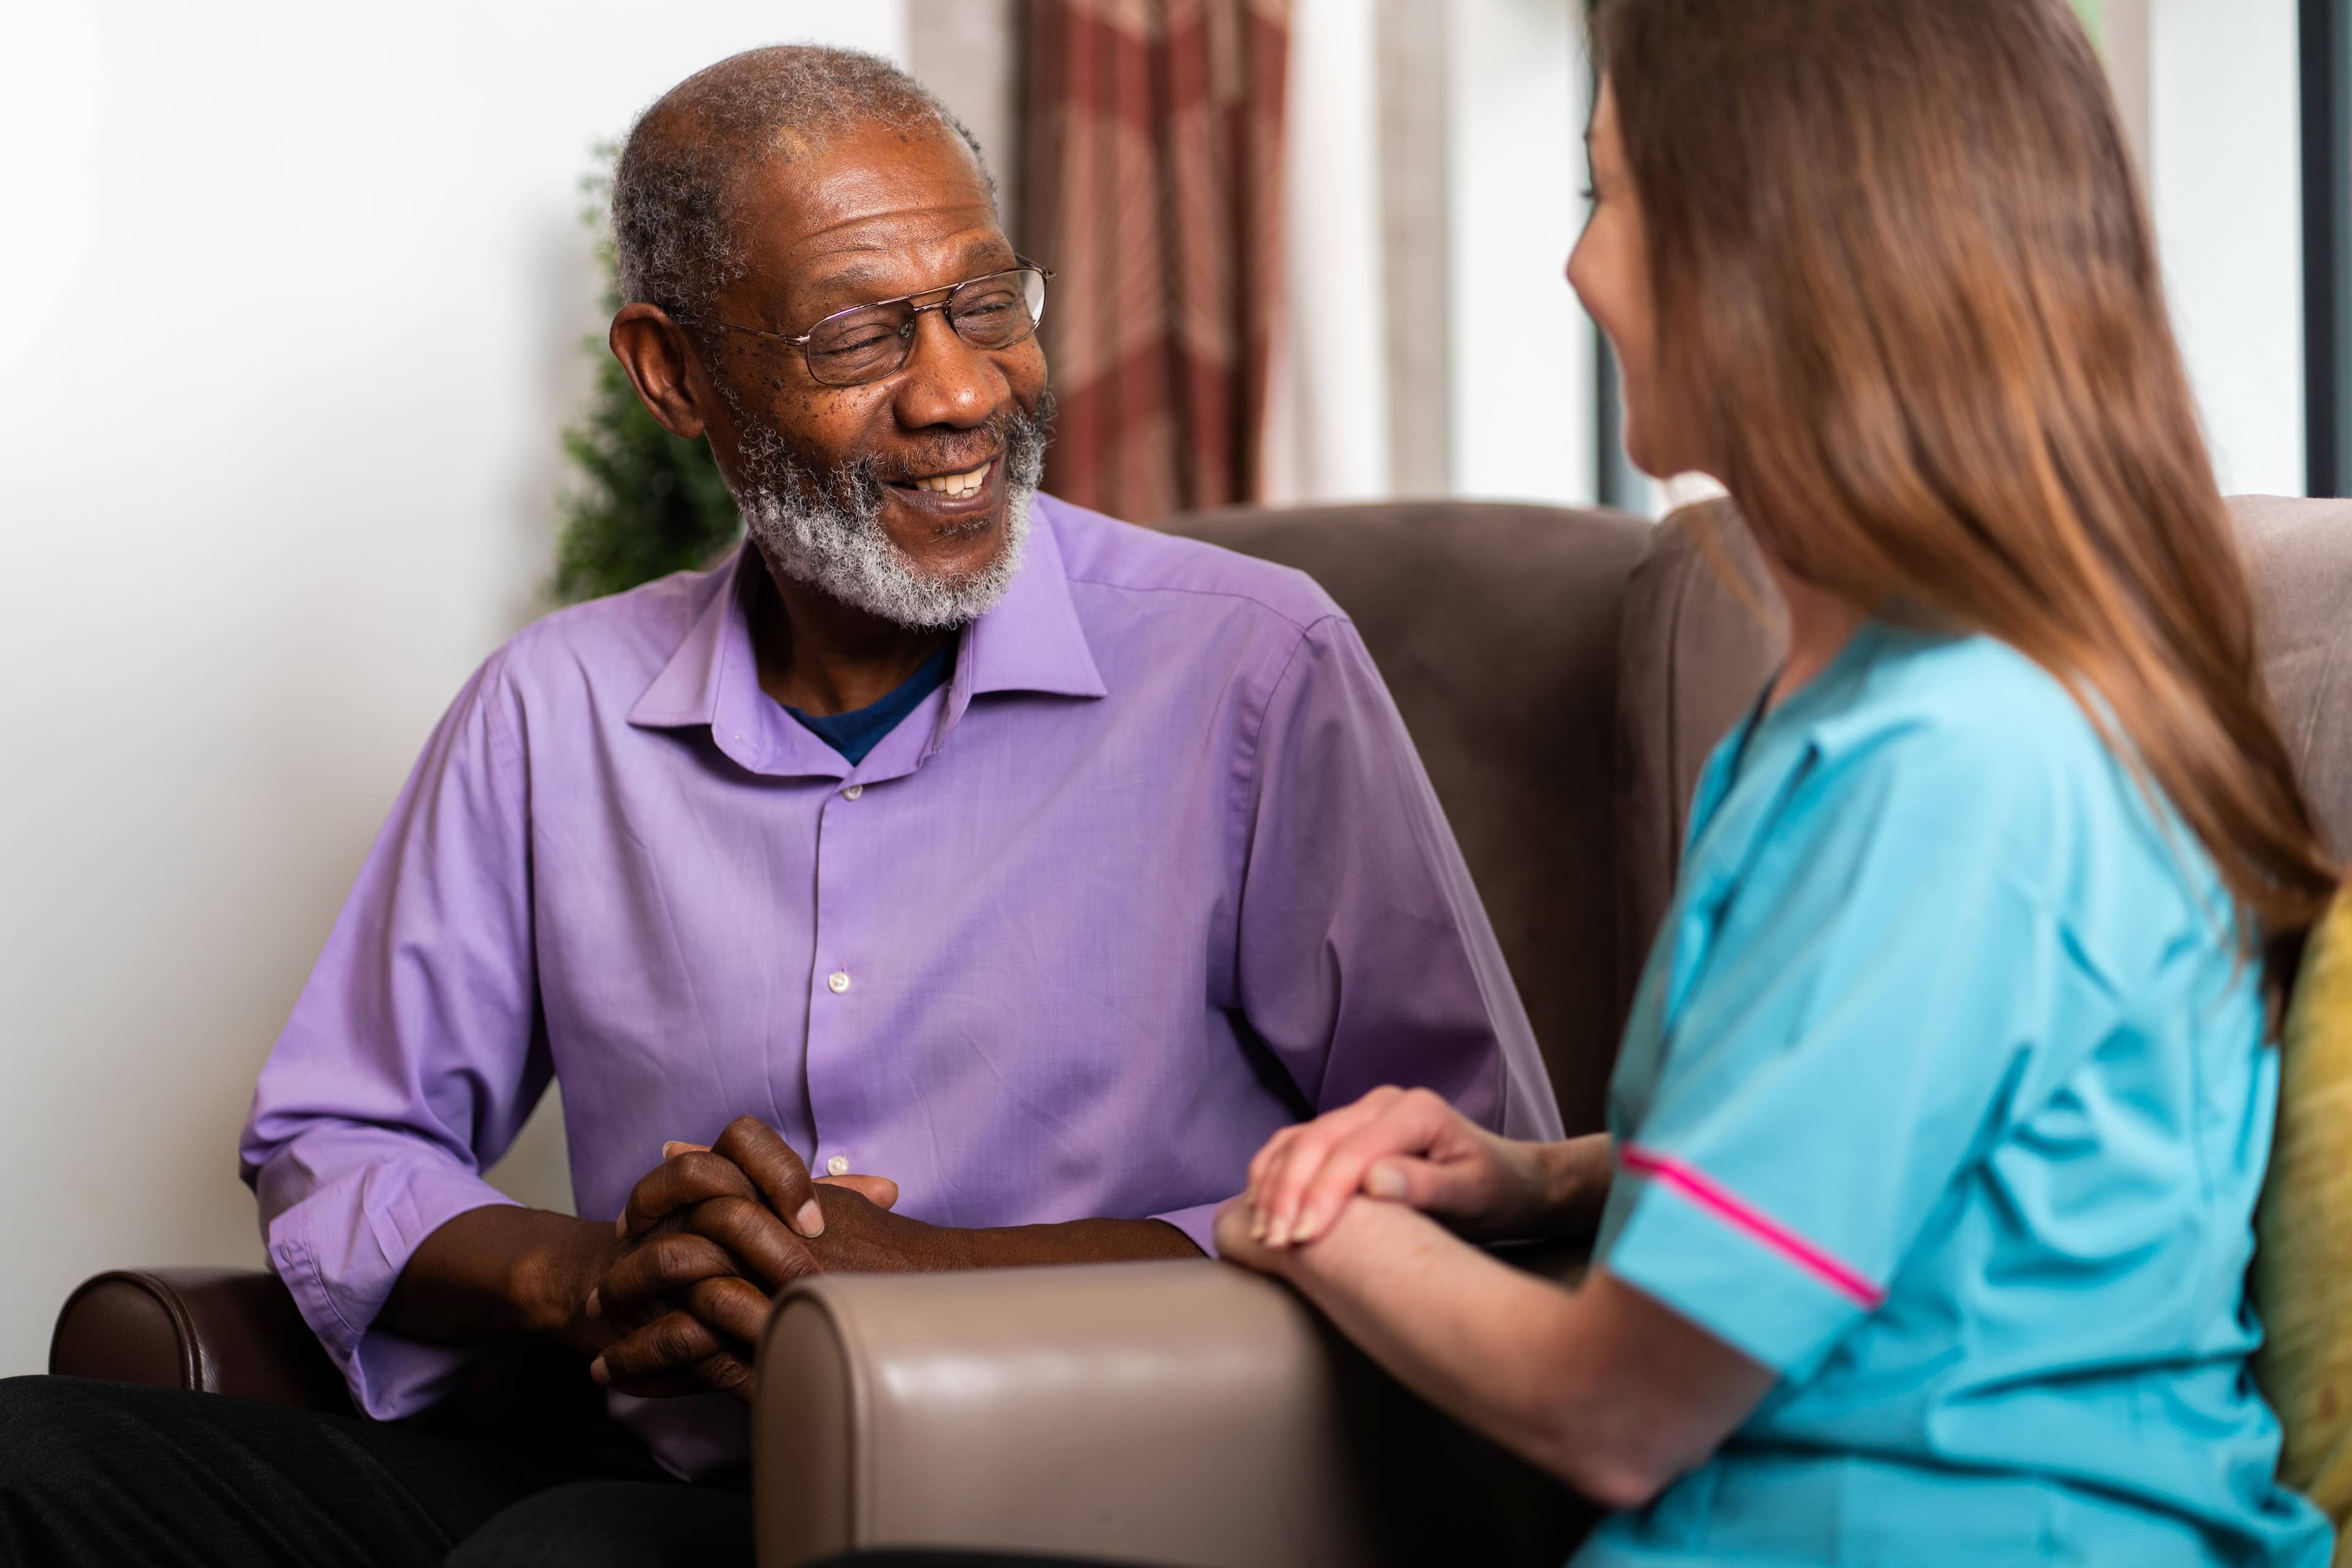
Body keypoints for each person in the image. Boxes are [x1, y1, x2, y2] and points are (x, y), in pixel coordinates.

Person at [0, 42, 1556, 1568]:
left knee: (572, 1548)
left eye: (987, 304)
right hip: (652, 1459)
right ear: (674, 373)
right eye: (859, 335)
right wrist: (597, 1272)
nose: (959, 392)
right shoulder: (555, 708)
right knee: (35, 1453)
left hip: (1083, 1487)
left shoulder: (1251, 667)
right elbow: (339, 1128)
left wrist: (935, 1280)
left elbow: (1465, 1169)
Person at [1221, 1, 2343, 1564]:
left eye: (1603, 196)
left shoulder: (1951, 771)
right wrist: (1530, 1175)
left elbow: (1614, 1406)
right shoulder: (1888, 713)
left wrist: (1299, 1219)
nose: (1576, 266)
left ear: (1769, 262)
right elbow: (1926, 1141)